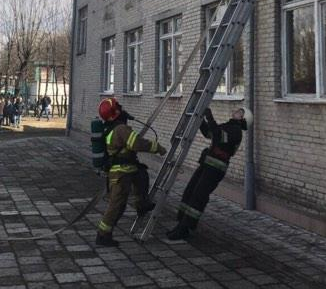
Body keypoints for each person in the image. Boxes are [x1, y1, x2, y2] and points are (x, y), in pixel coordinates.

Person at [166, 106, 252, 241]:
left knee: (198, 196)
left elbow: (218, 136)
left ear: (242, 118)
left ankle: (185, 228)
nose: (235, 110)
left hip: (215, 169)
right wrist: (201, 120)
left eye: (239, 111)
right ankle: (181, 223)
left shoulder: (236, 131)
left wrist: (209, 117)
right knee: (190, 191)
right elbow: (209, 133)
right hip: (207, 165)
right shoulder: (228, 126)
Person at [96, 97, 167, 247]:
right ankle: (103, 235)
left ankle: (141, 204)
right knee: (117, 205)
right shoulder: (121, 129)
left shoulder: (113, 127)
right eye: (119, 107)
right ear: (116, 112)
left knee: (141, 174)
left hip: (127, 169)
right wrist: (158, 148)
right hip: (121, 173)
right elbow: (137, 144)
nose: (122, 109)